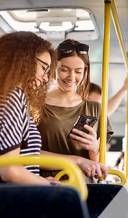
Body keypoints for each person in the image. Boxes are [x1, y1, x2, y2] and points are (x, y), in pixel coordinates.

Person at [0, 31, 59, 185]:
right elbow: (10, 171)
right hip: (12, 200)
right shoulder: (12, 97)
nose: (46, 78)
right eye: (44, 68)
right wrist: (49, 186)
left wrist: (39, 180)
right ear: (24, 60)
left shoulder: (0, 97)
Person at [38, 39, 113, 179]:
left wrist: (94, 149)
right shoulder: (36, 104)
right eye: (64, 70)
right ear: (53, 68)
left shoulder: (95, 109)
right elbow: (28, 154)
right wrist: (77, 161)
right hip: (48, 185)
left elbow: (99, 167)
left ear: (85, 72)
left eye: (78, 71)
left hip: (85, 188)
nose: (71, 77)